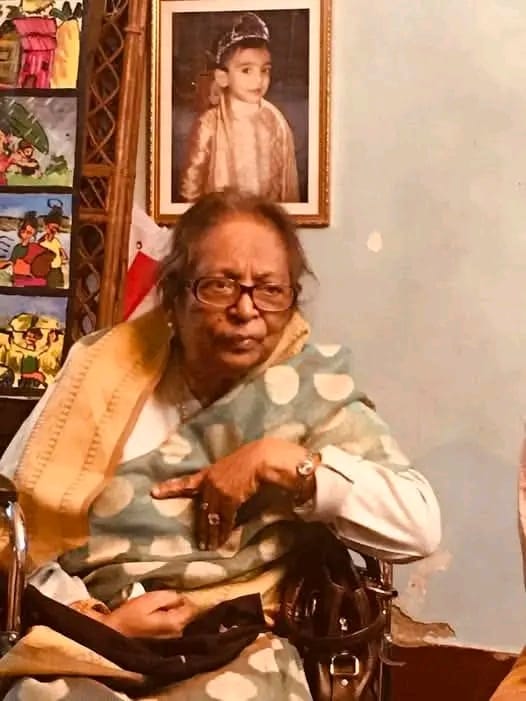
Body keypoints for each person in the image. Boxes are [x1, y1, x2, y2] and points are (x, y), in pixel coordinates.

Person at [0, 190, 441, 700]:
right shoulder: (101, 371)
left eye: (270, 290)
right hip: (91, 635)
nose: (245, 309)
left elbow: (418, 527)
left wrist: (285, 463)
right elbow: (13, 524)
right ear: (175, 294)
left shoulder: (309, 391)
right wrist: (95, 620)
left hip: (237, 644)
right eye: (220, 285)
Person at [179, 13, 300, 203]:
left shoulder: (276, 121)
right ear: (223, 77)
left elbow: (287, 183)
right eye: (246, 70)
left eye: (264, 70)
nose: (258, 80)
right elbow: (191, 187)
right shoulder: (209, 124)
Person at [37, 199, 68, 288]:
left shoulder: (56, 241)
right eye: (52, 228)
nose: (54, 230)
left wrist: (64, 258)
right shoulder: (41, 242)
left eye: (56, 229)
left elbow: (64, 256)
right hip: (46, 271)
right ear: (46, 227)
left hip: (57, 271)